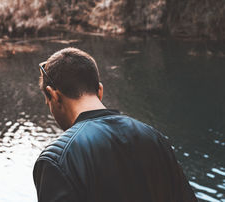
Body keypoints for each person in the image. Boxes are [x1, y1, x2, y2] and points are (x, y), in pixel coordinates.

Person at [34, 47, 197, 202]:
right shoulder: (155, 138)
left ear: (54, 96)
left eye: (48, 102)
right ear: (100, 91)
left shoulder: (57, 160)